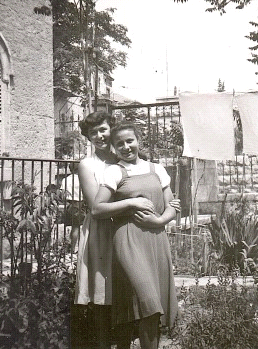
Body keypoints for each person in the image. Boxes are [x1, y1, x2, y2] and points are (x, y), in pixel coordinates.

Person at [93, 122, 180, 349]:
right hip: (128, 240)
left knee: (152, 310)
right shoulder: (114, 171)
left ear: (138, 141)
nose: (126, 147)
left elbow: (173, 205)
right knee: (148, 301)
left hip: (156, 240)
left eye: (129, 141)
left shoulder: (156, 169)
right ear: (114, 147)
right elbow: (97, 209)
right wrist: (131, 201)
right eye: (119, 143)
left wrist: (159, 220)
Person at [74, 112, 153, 349]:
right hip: (103, 232)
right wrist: (132, 204)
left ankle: (125, 343)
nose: (99, 136)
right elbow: (95, 207)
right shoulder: (88, 165)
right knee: (103, 293)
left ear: (112, 130)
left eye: (103, 130)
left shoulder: (127, 158)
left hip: (129, 230)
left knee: (127, 291)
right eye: (93, 133)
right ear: (88, 138)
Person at [60, 162, 82, 253]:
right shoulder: (82, 179)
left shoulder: (66, 179)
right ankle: (76, 248)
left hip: (70, 204)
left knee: (74, 227)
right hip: (81, 203)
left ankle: (72, 247)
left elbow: (62, 194)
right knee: (79, 227)